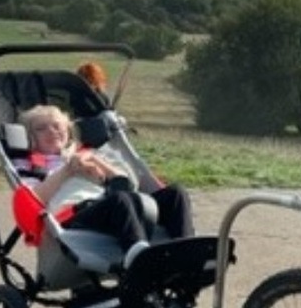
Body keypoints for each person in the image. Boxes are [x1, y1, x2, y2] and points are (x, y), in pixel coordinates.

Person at [16, 104, 193, 268]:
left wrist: (95, 161)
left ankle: (186, 250)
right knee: (120, 200)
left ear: (68, 131)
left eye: (57, 126)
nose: (51, 131)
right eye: (41, 128)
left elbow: (125, 183)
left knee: (175, 194)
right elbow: (31, 199)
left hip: (113, 206)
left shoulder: (89, 153)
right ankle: (138, 255)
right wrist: (68, 170)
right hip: (71, 216)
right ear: (30, 137)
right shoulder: (30, 165)